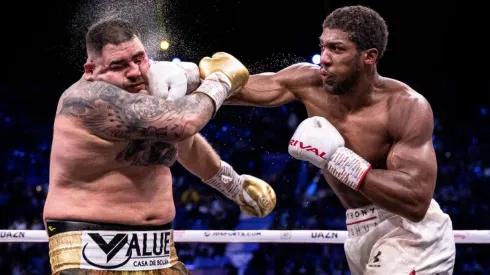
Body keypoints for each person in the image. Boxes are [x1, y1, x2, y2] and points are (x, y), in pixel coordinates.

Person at [225, 5, 456, 275]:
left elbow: (416, 202)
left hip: (409, 233)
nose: (324, 58)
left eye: (336, 49)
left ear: (369, 56)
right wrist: (190, 81)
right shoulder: (308, 82)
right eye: (322, 46)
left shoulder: (405, 106)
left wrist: (338, 159)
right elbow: (237, 88)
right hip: (358, 231)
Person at [43, 18, 276, 275]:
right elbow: (184, 123)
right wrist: (220, 80)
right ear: (91, 70)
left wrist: (234, 187)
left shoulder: (147, 94)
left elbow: (183, 143)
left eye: (139, 59)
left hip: (159, 251)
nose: (134, 71)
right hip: (91, 252)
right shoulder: (90, 98)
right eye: (118, 65)